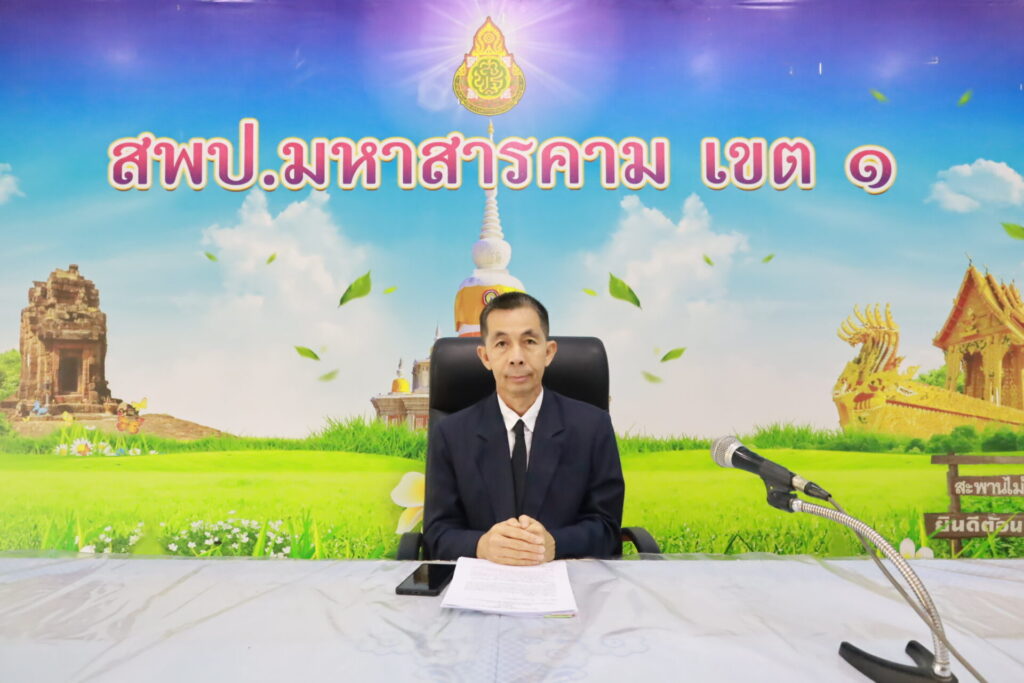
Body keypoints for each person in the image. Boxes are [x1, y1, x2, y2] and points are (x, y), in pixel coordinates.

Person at [423, 292, 624, 565]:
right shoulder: (451, 434)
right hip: (483, 581)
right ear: (485, 356)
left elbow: (608, 530)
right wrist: (482, 545)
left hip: (567, 578)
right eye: (502, 344)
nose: (516, 357)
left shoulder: (593, 427)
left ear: (548, 352)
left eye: (529, 342)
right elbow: (436, 534)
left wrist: (556, 544)